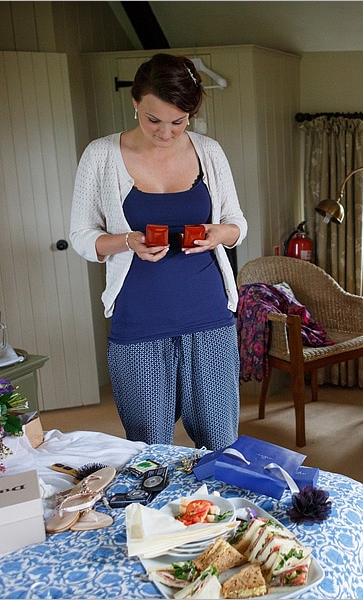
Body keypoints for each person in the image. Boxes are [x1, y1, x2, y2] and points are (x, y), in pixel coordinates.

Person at [70, 53, 248, 451]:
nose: (166, 133)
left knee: (222, 444)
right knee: (150, 449)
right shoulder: (100, 156)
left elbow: (237, 221)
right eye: (153, 120)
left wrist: (222, 233)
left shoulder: (209, 152)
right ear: (135, 102)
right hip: (139, 320)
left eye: (178, 121)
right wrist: (127, 241)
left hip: (208, 315)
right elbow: (81, 235)